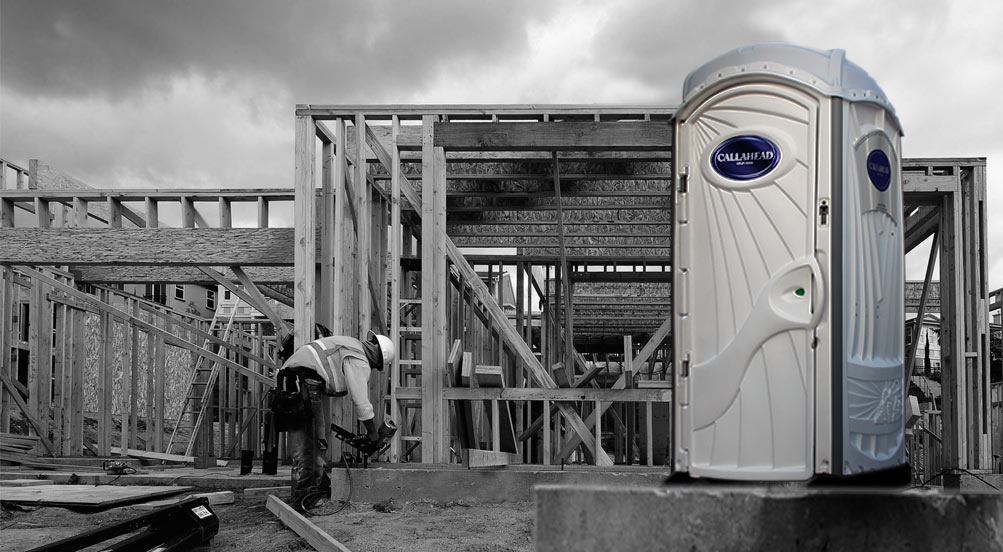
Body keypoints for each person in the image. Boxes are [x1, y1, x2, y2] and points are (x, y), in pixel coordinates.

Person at [274, 325, 395, 513]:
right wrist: (372, 433)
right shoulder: (359, 357)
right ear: (379, 358)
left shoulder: (350, 344)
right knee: (313, 444)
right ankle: (307, 499)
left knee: (308, 442)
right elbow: (361, 402)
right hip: (303, 383)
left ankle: (319, 487)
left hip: (290, 381)